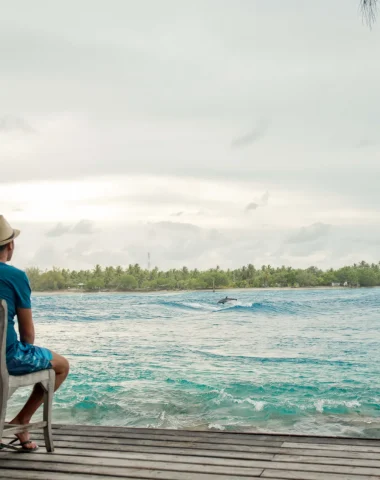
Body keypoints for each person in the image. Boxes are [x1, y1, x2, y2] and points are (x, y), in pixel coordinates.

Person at [0, 215, 69, 452]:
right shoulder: (15, 276)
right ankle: (21, 420)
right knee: (61, 365)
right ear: (10, 245)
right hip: (6, 358)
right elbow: (27, 334)